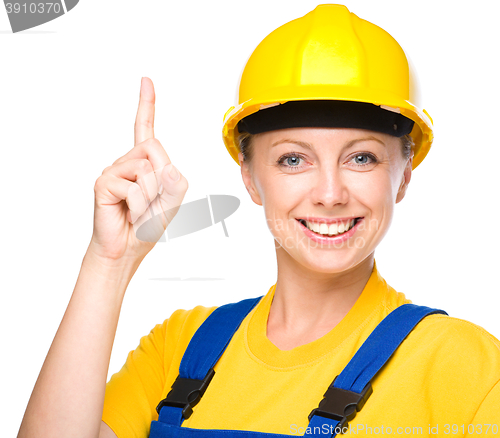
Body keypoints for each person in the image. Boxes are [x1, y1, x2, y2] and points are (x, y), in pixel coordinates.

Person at [17, 4, 500, 438]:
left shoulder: (466, 369)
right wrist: (110, 263)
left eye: (362, 159)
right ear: (249, 178)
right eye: (293, 160)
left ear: (403, 176)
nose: (330, 194)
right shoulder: (181, 351)